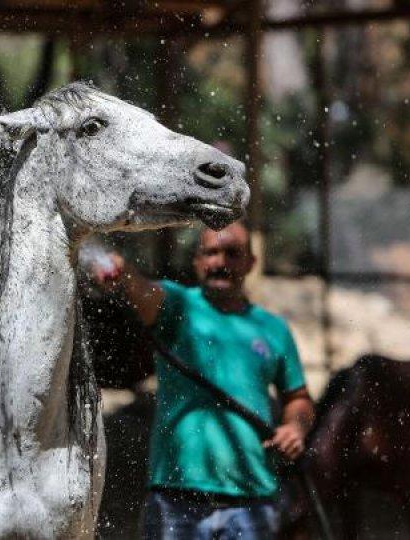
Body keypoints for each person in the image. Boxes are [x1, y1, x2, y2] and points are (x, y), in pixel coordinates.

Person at [92, 221, 314, 540]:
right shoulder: (178, 306)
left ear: (251, 262)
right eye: (210, 253)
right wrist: (123, 273)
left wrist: (296, 427)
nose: (220, 262)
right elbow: (143, 291)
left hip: (252, 504)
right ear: (196, 262)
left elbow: (299, 398)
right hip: (175, 501)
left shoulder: (273, 329)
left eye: (232, 253)